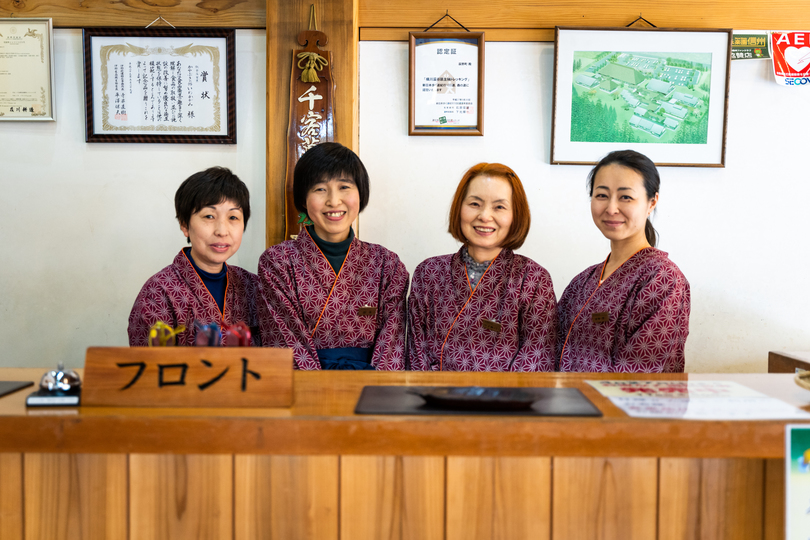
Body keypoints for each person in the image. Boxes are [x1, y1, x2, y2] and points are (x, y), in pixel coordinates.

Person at [258, 142, 409, 370]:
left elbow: (392, 348)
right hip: (305, 393)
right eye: (320, 189)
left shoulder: (387, 264)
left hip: (370, 393)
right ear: (303, 199)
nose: (334, 201)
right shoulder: (277, 262)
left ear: (361, 193)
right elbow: (283, 342)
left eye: (344, 187)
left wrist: (375, 393)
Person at [408, 163, 558, 371]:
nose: (485, 216)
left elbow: (536, 357)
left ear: (515, 215)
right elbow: (416, 352)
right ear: (459, 208)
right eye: (475, 204)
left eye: (499, 207)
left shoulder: (533, 278)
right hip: (436, 397)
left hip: (504, 400)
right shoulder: (428, 272)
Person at [558, 150, 690, 372]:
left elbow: (645, 372)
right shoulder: (583, 281)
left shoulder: (663, 279)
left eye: (625, 197)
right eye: (601, 195)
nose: (611, 208)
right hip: (567, 403)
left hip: (622, 405)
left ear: (651, 202)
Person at [128, 167, 261, 346]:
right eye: (209, 216)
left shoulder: (253, 286)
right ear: (184, 225)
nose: (222, 231)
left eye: (233, 218)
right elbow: (151, 368)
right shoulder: (157, 293)